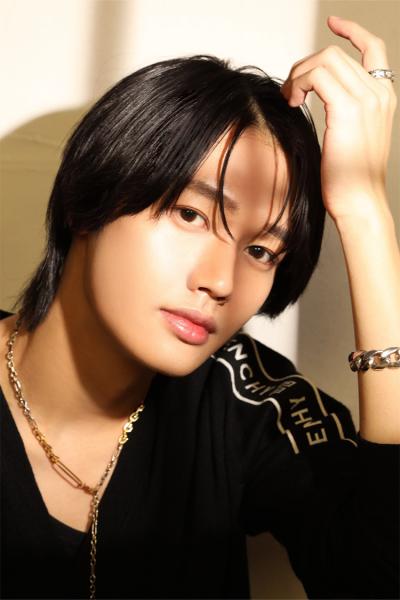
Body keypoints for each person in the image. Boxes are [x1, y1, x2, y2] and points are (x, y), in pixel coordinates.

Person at [0, 15, 399, 600]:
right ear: (88, 199)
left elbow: (379, 575)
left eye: (261, 251)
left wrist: (365, 209)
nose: (220, 281)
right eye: (191, 215)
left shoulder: (250, 401)